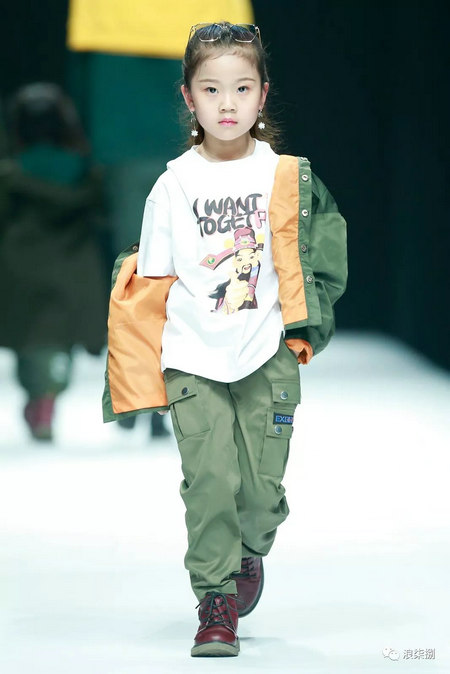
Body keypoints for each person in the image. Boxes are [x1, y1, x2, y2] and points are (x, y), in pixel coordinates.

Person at [103, 22, 347, 657]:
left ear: (263, 94)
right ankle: (214, 599)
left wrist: (309, 322)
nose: (228, 103)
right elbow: (151, 283)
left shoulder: (287, 176)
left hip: (266, 352)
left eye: (242, 87)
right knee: (209, 480)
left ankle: (249, 550)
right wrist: (138, 372)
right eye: (212, 89)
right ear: (189, 97)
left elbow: (324, 252)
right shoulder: (172, 185)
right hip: (191, 356)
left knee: (261, 495)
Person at [0, 83, 109, 441]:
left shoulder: (11, 173)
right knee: (59, 341)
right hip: (73, 264)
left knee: (30, 341)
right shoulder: (86, 172)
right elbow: (101, 214)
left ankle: (39, 399)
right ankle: (46, 400)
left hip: (20, 264)